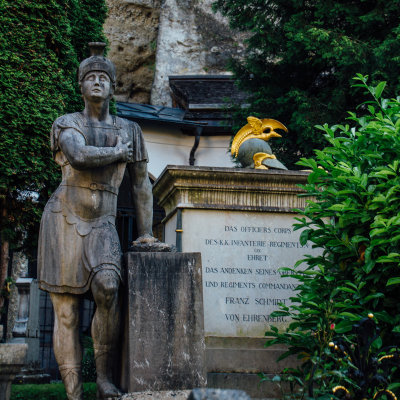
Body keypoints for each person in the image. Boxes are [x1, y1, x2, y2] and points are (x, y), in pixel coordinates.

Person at [38, 42, 156, 400]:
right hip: (64, 218)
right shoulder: (67, 123)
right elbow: (77, 155)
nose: (96, 82)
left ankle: (103, 379)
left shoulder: (131, 129)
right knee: (68, 313)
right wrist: (117, 152)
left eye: (103, 77)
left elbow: (140, 186)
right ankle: (74, 392)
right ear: (80, 85)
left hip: (103, 221)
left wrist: (147, 233)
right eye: (89, 77)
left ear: (112, 86)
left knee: (107, 287)